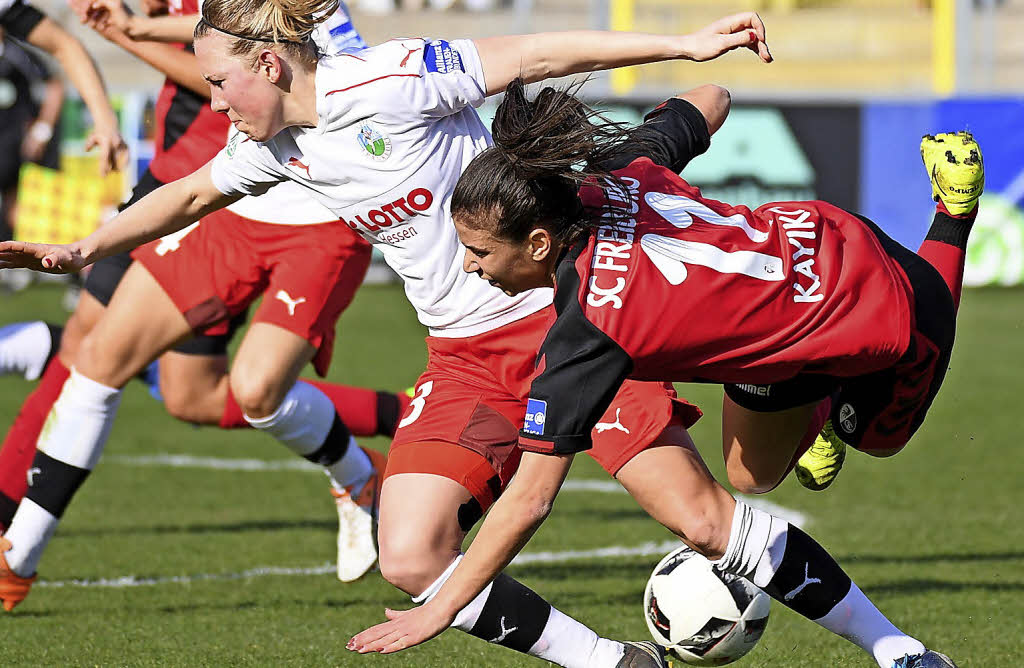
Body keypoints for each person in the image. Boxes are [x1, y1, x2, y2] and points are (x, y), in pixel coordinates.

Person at [0, 4, 775, 666]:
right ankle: (612, 662)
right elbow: (190, 195)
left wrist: (682, 43)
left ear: (268, 64)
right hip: (465, 358)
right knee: (409, 556)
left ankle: (794, 395)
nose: (213, 98)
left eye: (218, 81)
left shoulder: (392, 78)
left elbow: (534, 53)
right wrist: (83, 250)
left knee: (705, 517)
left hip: (568, 323)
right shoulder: (273, 147)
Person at [346, 80, 979, 667]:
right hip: (823, 244)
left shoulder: (591, 328)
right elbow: (713, 97)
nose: (468, 267)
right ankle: (818, 408)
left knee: (877, 438)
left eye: (479, 251)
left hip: (888, 311)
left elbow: (531, 499)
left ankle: (952, 216)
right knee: (748, 477)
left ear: (538, 243)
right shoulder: (616, 172)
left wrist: (443, 607)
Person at [0, 0, 405, 605]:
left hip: (319, 221)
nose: (218, 103)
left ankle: (363, 468)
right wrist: (138, 27)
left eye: (221, 84)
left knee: (254, 391)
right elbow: (215, 38)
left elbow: (237, 44)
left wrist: (134, 33)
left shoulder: (348, 54)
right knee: (103, 360)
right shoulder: (234, 54)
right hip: (229, 202)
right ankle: (18, 556)